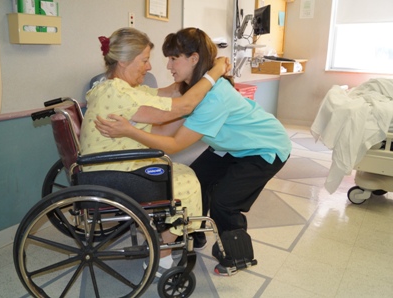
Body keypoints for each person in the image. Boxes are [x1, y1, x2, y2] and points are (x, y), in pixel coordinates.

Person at [95, 27, 292, 275]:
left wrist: (131, 132)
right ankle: (193, 234)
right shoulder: (191, 87)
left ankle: (237, 256)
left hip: (264, 147)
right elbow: (166, 107)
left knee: (225, 202)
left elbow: (176, 144)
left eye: (173, 58)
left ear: (194, 58)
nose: (168, 66)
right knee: (198, 179)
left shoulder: (214, 97)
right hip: (231, 147)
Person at [79, 27, 230, 278]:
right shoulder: (119, 93)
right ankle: (163, 255)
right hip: (115, 174)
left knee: (178, 170)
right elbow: (183, 106)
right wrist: (215, 72)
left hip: (102, 168)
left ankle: (165, 236)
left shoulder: (110, 86)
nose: (149, 68)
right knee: (187, 181)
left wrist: (191, 71)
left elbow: (169, 92)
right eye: (145, 60)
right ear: (124, 61)